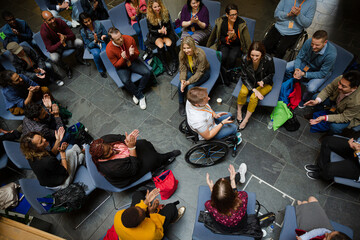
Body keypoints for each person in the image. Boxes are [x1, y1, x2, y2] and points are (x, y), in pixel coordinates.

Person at [89, 129, 181, 188]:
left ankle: (157, 160)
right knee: (153, 159)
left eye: (109, 147)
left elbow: (120, 137)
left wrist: (127, 140)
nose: (112, 151)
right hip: (128, 172)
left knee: (144, 143)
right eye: (107, 153)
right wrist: (132, 148)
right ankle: (165, 158)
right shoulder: (112, 167)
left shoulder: (105, 139)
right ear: (101, 157)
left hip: (128, 156)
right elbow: (134, 169)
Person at [284, 30, 337, 107]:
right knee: (286, 67)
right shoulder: (309, 42)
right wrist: (297, 69)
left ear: (325, 42)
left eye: (317, 45)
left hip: (320, 71)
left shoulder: (331, 54)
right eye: (313, 44)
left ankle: (305, 99)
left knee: (311, 88)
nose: (313, 47)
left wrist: (304, 74)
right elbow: (299, 57)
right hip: (307, 64)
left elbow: (323, 73)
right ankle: (290, 85)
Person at [20, 130, 84, 189]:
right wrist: (62, 153)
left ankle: (80, 157)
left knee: (74, 154)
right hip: (62, 183)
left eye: (42, 137)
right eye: (41, 142)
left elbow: (52, 154)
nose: (44, 139)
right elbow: (64, 171)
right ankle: (84, 151)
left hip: (50, 180)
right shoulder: (48, 161)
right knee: (71, 152)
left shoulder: (31, 154)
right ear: (35, 148)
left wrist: (58, 140)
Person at [114, 188, 186, 240]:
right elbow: (159, 232)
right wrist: (152, 212)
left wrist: (146, 201)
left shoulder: (118, 215)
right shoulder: (150, 235)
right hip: (151, 234)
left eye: (139, 208)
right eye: (143, 211)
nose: (143, 207)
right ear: (143, 220)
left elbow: (138, 208)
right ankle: (174, 217)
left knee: (137, 194)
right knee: (171, 207)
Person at [106, 27, 151, 110]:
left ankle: (137, 93)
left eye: (121, 36)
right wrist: (123, 58)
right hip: (122, 66)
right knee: (125, 81)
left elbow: (137, 54)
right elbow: (116, 65)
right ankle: (141, 97)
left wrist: (132, 54)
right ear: (112, 40)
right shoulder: (109, 49)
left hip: (132, 60)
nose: (121, 40)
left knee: (147, 72)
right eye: (117, 39)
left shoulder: (129, 39)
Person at [237, 41, 275, 130]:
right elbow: (244, 76)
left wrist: (263, 81)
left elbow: (271, 74)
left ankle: (246, 119)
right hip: (250, 81)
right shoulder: (244, 58)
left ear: (262, 54)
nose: (254, 58)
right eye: (252, 55)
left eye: (257, 56)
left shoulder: (268, 59)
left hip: (265, 83)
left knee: (254, 97)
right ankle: (239, 111)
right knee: (243, 92)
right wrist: (254, 89)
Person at [40, 11, 88, 79]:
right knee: (54, 58)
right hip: (56, 47)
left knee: (79, 42)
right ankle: (67, 69)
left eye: (52, 18)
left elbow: (72, 36)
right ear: (44, 21)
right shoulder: (43, 31)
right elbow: (50, 49)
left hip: (66, 41)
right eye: (49, 20)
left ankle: (79, 58)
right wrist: (60, 42)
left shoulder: (60, 21)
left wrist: (65, 37)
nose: (53, 21)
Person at [206, 4, 251, 75]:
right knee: (223, 56)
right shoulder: (221, 22)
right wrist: (228, 38)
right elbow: (215, 36)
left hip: (237, 45)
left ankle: (228, 73)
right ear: (227, 15)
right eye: (232, 15)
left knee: (232, 58)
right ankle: (221, 73)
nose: (234, 17)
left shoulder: (241, 23)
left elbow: (246, 40)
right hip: (224, 44)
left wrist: (249, 54)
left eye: (236, 14)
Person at [205, 164, 248, 232]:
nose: (222, 178)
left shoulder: (209, 206)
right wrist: (232, 180)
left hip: (223, 229)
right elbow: (236, 195)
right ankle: (240, 176)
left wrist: (212, 191)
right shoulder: (243, 197)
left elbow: (213, 202)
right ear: (231, 192)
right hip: (241, 226)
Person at [178, 36, 210, 116]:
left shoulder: (200, 54)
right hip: (191, 70)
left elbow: (199, 72)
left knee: (190, 87)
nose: (186, 50)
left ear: (193, 47)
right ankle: (181, 103)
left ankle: (190, 105)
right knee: (180, 84)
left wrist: (188, 82)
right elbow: (183, 68)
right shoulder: (182, 54)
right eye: (184, 48)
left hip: (203, 73)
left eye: (188, 48)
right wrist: (183, 80)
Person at [145, 0, 178, 76]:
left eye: (158, 6)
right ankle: (165, 66)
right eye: (155, 7)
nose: (157, 8)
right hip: (156, 35)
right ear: (151, 8)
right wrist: (159, 31)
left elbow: (169, 26)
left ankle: (175, 62)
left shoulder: (165, 13)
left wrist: (165, 29)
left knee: (169, 44)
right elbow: (151, 30)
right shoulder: (149, 17)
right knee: (160, 46)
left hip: (166, 34)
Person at [79, 12, 108, 78]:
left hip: (101, 41)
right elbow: (88, 45)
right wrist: (95, 41)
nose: (88, 23)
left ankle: (108, 65)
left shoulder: (98, 23)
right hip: (92, 45)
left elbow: (105, 33)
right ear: (83, 23)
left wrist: (104, 36)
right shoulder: (83, 31)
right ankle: (101, 70)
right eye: (86, 22)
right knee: (96, 54)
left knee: (105, 51)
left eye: (89, 20)